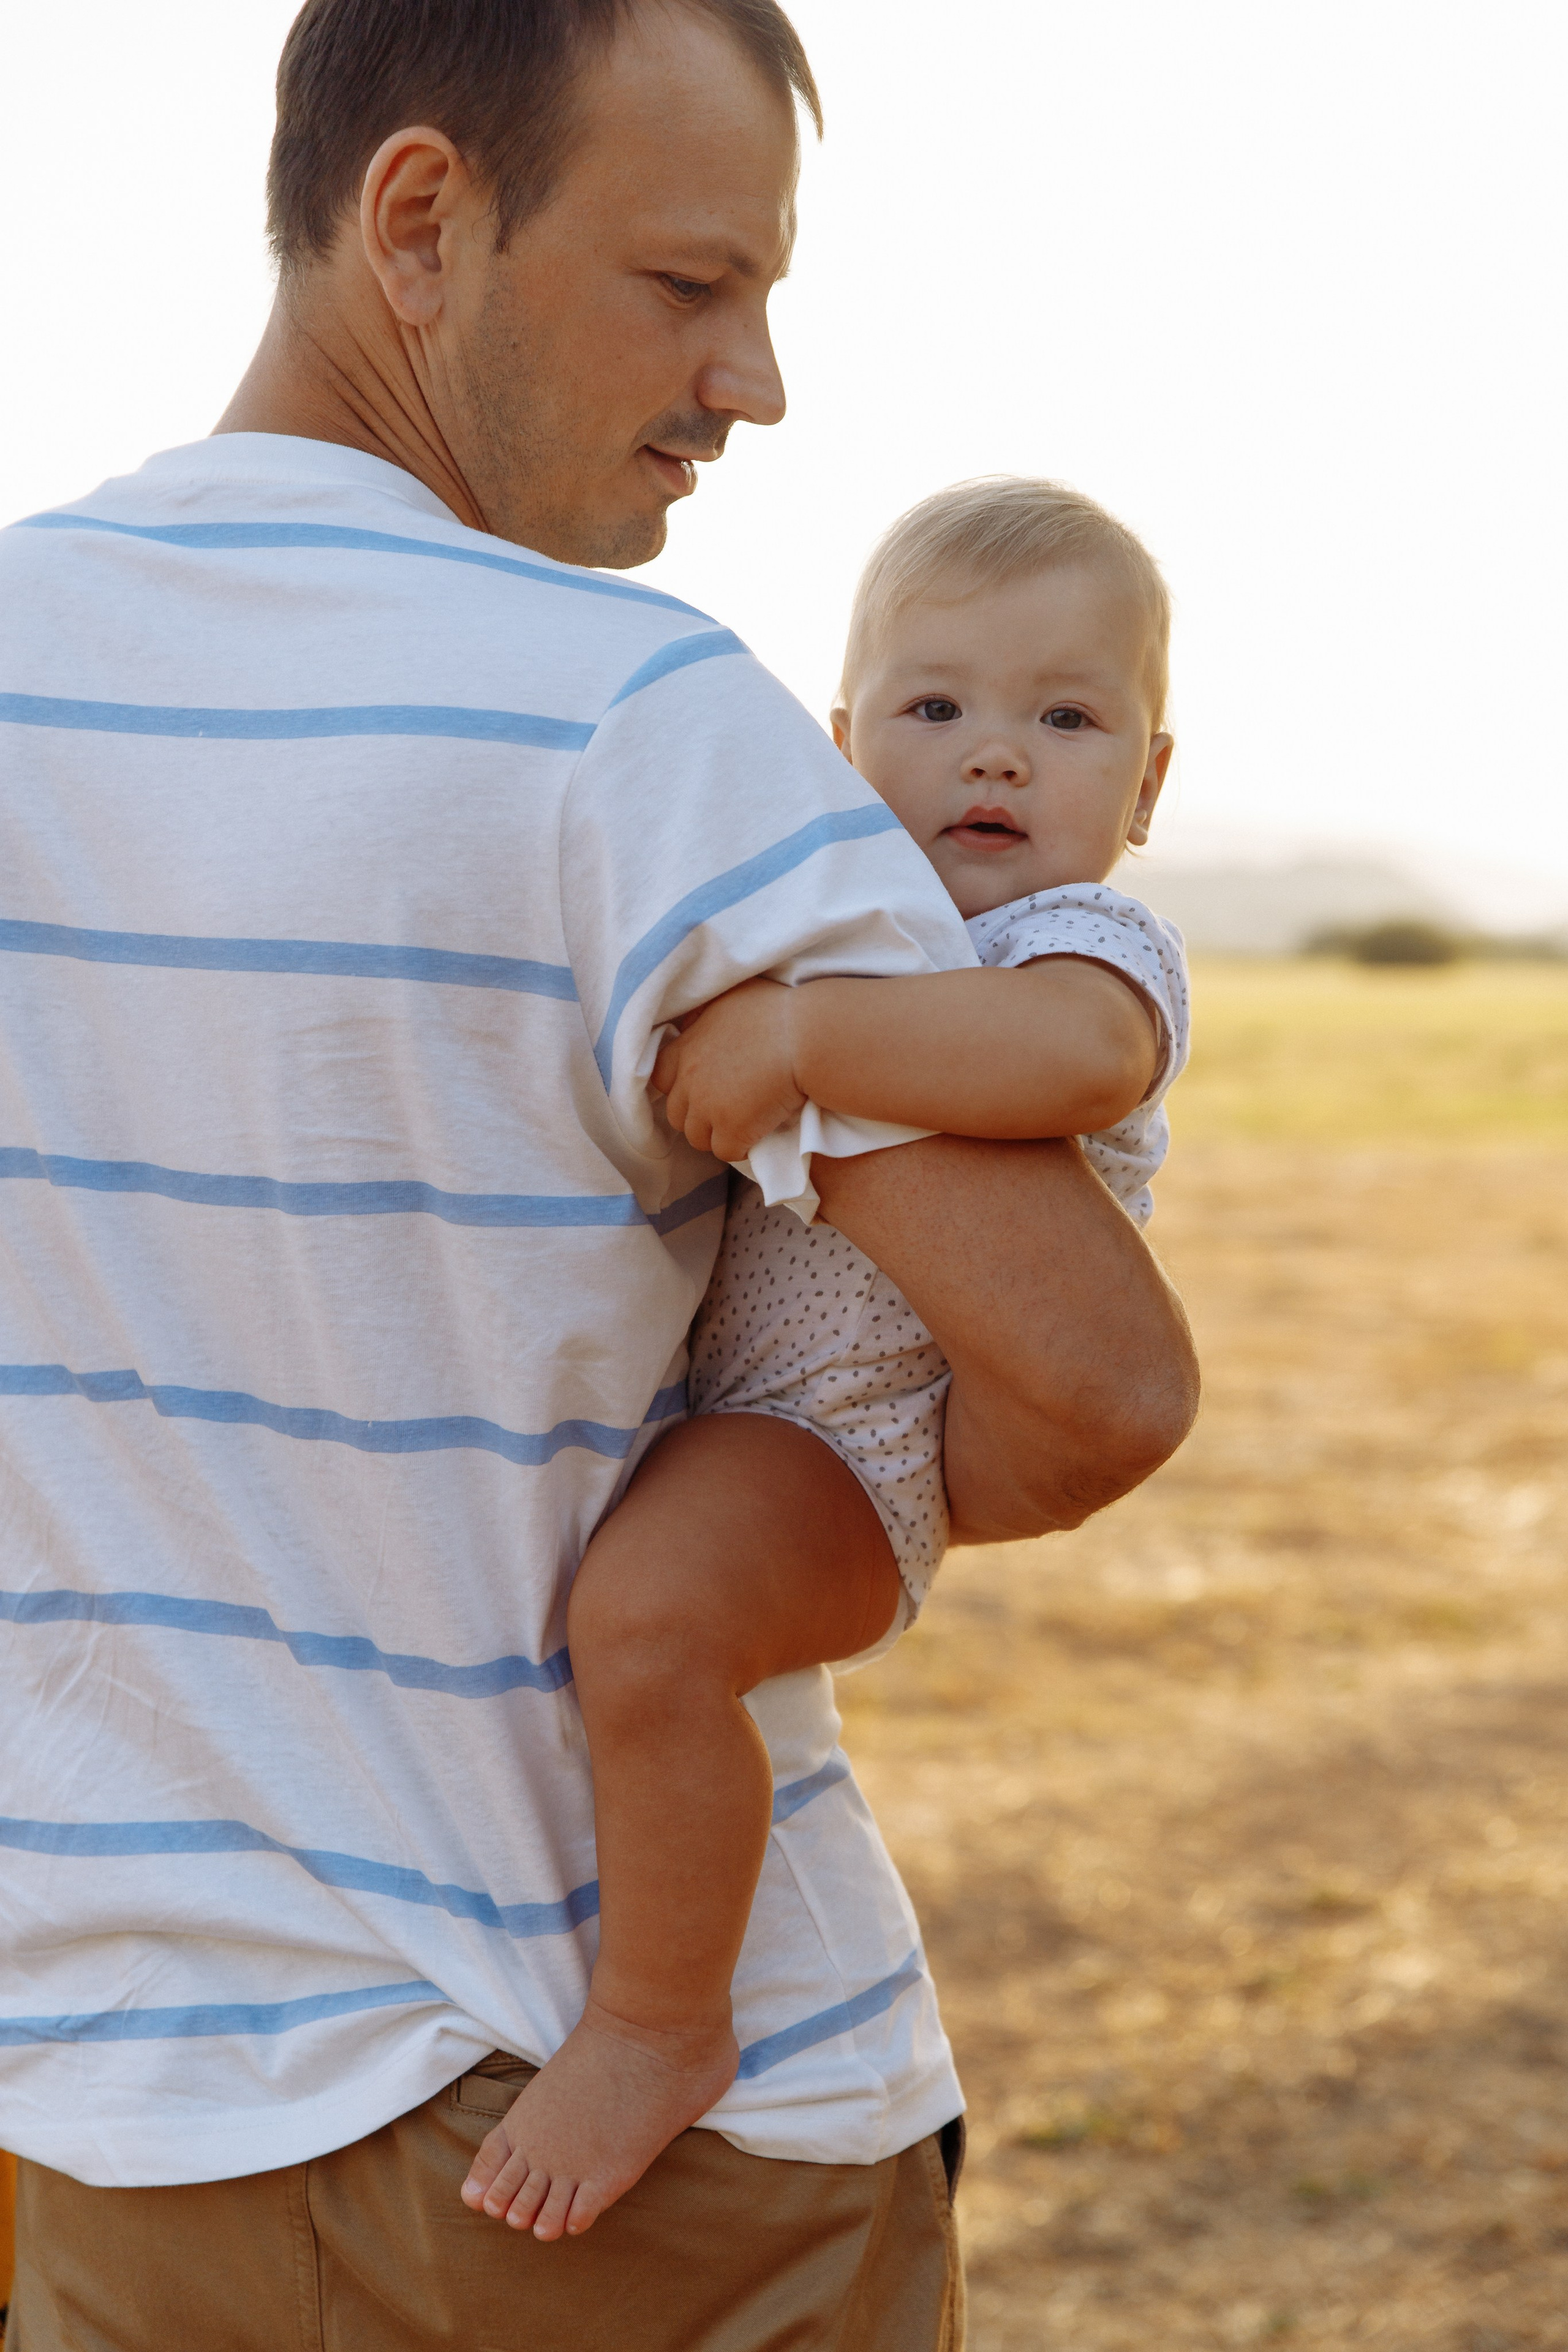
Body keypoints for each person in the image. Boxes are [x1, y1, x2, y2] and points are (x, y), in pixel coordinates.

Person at [0, 4, 1198, 2346]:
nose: (754, 381)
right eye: (690, 283)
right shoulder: (634, 718)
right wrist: (851, 1494)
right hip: (631, 2148)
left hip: (100, 2111)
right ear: (423, 222)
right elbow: (1100, 1385)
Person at [461, 477, 1191, 2245]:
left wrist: (800, 1036)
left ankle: (658, 2022)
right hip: (757, 1412)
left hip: (856, 1438)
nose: (996, 759)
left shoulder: (1069, 949)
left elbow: (1077, 1062)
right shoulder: (841, 915)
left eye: (1064, 719)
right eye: (937, 712)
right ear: (841, 740)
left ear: (1149, 784)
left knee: (649, 1627)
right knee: (630, 1632)